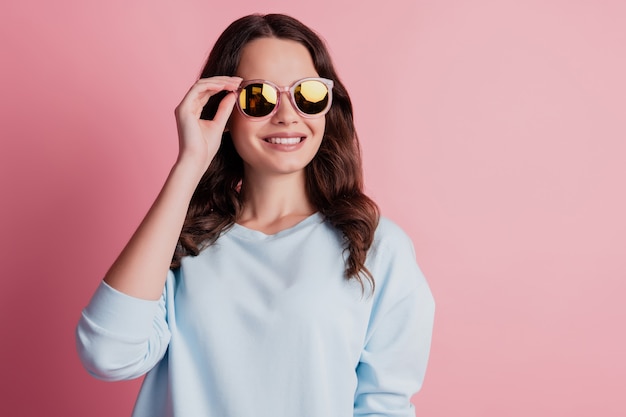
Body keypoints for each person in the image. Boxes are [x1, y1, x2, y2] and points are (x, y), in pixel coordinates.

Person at [76, 13, 435, 417]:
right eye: (260, 97)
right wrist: (190, 164)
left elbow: (383, 407)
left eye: (308, 94)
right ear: (223, 112)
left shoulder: (376, 246)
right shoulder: (180, 244)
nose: (286, 115)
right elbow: (107, 354)